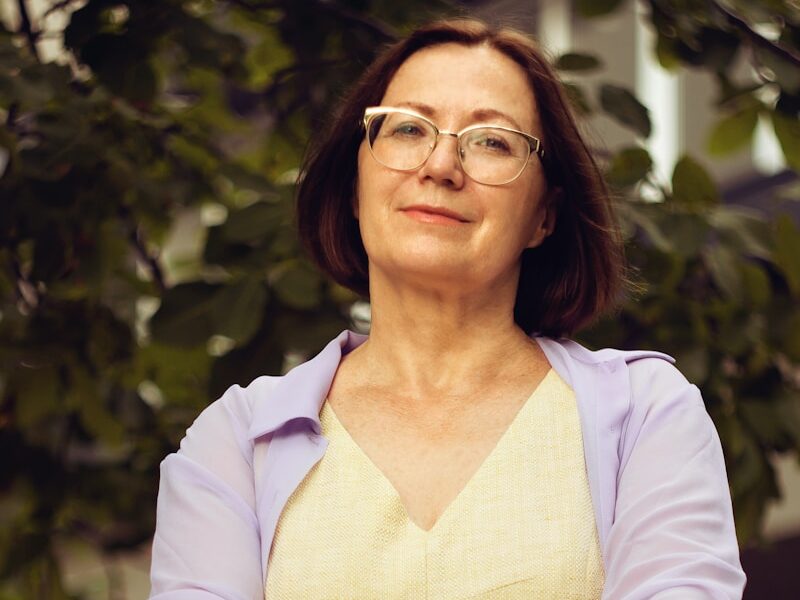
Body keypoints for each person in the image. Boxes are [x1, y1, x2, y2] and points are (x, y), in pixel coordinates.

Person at [149, 18, 746, 599]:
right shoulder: (237, 442)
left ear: (544, 215)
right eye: (408, 129)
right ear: (355, 186)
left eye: (492, 141)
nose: (439, 166)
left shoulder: (646, 416)